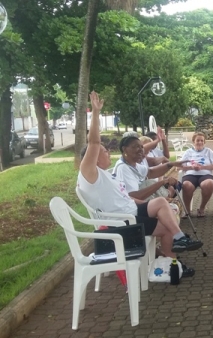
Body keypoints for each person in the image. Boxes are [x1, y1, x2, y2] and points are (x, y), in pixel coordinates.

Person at [77, 92, 202, 272]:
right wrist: (96, 112)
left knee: (159, 203)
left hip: (131, 210)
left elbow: (127, 196)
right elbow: (94, 142)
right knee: (166, 227)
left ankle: (179, 239)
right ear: (94, 157)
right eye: (104, 151)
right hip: (123, 222)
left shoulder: (106, 174)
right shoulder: (90, 175)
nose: (107, 153)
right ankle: (175, 266)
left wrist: (148, 204)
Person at [179, 132, 213, 217]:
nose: (200, 142)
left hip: (205, 175)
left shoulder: (208, 151)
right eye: (197, 140)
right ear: (193, 141)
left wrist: (203, 167)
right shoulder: (188, 152)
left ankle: (202, 208)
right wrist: (192, 168)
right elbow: (179, 167)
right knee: (186, 185)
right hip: (190, 175)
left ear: (204, 142)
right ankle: (187, 210)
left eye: (202, 141)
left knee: (209, 183)